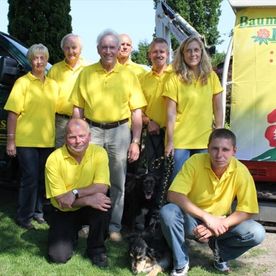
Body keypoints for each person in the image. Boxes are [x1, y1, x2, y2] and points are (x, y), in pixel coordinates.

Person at [70, 29, 147, 242]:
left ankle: (113, 226)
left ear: (117, 49)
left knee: (117, 181)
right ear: (98, 49)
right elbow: (78, 107)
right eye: (104, 47)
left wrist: (136, 140)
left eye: (112, 47)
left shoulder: (129, 75)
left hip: (120, 131)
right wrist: (77, 133)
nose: (108, 51)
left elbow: (136, 112)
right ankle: (87, 223)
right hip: (91, 130)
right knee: (88, 177)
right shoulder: (86, 73)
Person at [160, 128, 265, 276]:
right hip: (193, 220)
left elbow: (248, 210)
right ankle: (181, 263)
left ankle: (220, 254)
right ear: (208, 148)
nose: (219, 155)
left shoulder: (241, 171)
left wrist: (219, 225)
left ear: (234, 151)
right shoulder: (194, 162)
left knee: (257, 232)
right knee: (168, 212)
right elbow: (173, 194)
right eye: (215, 148)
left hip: (221, 224)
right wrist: (207, 218)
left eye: (225, 149)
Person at [4, 44, 58, 229]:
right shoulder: (23, 83)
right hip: (26, 140)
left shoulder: (53, 85)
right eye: (35, 58)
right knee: (30, 177)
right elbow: (12, 113)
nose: (39, 61)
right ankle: (24, 216)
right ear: (30, 60)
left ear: (46, 59)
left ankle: (39, 212)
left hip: (47, 140)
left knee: (43, 178)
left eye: (43, 58)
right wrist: (11, 140)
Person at [45, 118, 111, 267]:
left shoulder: (99, 153)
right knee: (58, 257)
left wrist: (75, 192)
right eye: (72, 137)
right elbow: (62, 200)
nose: (78, 141)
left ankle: (96, 249)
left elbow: (102, 187)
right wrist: (88, 199)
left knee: (103, 203)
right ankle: (71, 234)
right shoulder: (54, 159)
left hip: (88, 207)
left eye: (82, 136)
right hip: (64, 210)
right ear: (65, 138)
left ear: (89, 137)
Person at [164, 35, 223, 179]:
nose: (193, 54)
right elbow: (170, 114)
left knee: (202, 182)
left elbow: (218, 108)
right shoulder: (174, 79)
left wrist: (219, 134)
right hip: (180, 142)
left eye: (196, 50)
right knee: (179, 183)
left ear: (202, 53)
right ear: (183, 54)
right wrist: (170, 142)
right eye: (188, 51)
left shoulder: (211, 77)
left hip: (205, 140)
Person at [47, 33, 86, 148]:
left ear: (80, 49)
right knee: (59, 153)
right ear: (63, 49)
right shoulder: (54, 70)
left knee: (79, 153)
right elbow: (48, 96)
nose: (70, 51)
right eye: (67, 48)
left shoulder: (89, 69)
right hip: (60, 121)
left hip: (83, 121)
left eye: (74, 47)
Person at [140, 37, 171, 174]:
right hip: (153, 134)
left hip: (176, 134)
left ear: (168, 54)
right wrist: (148, 122)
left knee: (173, 173)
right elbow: (136, 109)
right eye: (155, 52)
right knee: (153, 174)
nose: (158, 55)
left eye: (162, 51)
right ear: (149, 55)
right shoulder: (142, 80)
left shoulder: (177, 76)